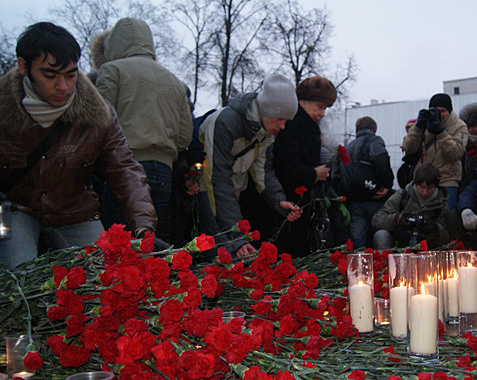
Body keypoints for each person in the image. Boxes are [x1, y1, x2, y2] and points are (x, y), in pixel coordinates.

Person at [0, 22, 157, 269]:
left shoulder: (100, 113)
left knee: (100, 275)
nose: (63, 86)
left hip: (74, 210)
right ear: (23, 67)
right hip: (11, 210)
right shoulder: (3, 106)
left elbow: (124, 168)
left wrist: (142, 223)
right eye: (50, 76)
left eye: (71, 75)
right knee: (16, 279)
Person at [91, 18, 193, 242]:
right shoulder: (174, 81)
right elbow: (185, 135)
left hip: (125, 169)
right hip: (164, 173)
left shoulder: (112, 70)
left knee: (117, 245)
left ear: (114, 44)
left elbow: (98, 123)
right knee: (148, 245)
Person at [198, 74, 302, 258]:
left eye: (286, 121)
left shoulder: (266, 132)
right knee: (217, 255)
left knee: (229, 256)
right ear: (266, 110)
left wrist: (278, 200)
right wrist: (235, 235)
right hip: (207, 193)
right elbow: (217, 179)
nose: (283, 126)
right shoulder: (225, 122)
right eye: (279, 119)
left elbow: (263, 171)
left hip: (230, 198)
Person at [272, 75, 345, 257]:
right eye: (320, 107)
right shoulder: (291, 126)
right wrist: (314, 174)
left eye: (325, 108)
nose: (322, 113)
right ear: (303, 102)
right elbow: (285, 166)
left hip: (300, 202)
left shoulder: (307, 127)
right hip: (289, 203)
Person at [402, 93, 467, 210]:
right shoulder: (424, 123)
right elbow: (408, 148)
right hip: (422, 180)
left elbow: (456, 153)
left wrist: (441, 133)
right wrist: (417, 128)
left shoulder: (459, 126)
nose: (439, 114)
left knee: (448, 215)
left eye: (443, 111)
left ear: (449, 111)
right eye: (435, 110)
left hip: (446, 179)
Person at [343, 116, 394, 249]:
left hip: (354, 202)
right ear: (374, 128)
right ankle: (380, 268)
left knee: (357, 242)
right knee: (379, 238)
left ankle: (358, 267)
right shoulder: (375, 141)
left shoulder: (348, 147)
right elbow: (381, 161)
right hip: (375, 199)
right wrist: (387, 185)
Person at [372, 164, 449, 249]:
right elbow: (377, 220)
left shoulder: (441, 203)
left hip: (427, 244)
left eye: (430, 188)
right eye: (422, 187)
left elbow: (447, 237)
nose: (425, 192)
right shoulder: (403, 195)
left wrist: (435, 228)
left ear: (436, 186)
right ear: (416, 183)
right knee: (381, 235)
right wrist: (397, 219)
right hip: (400, 240)